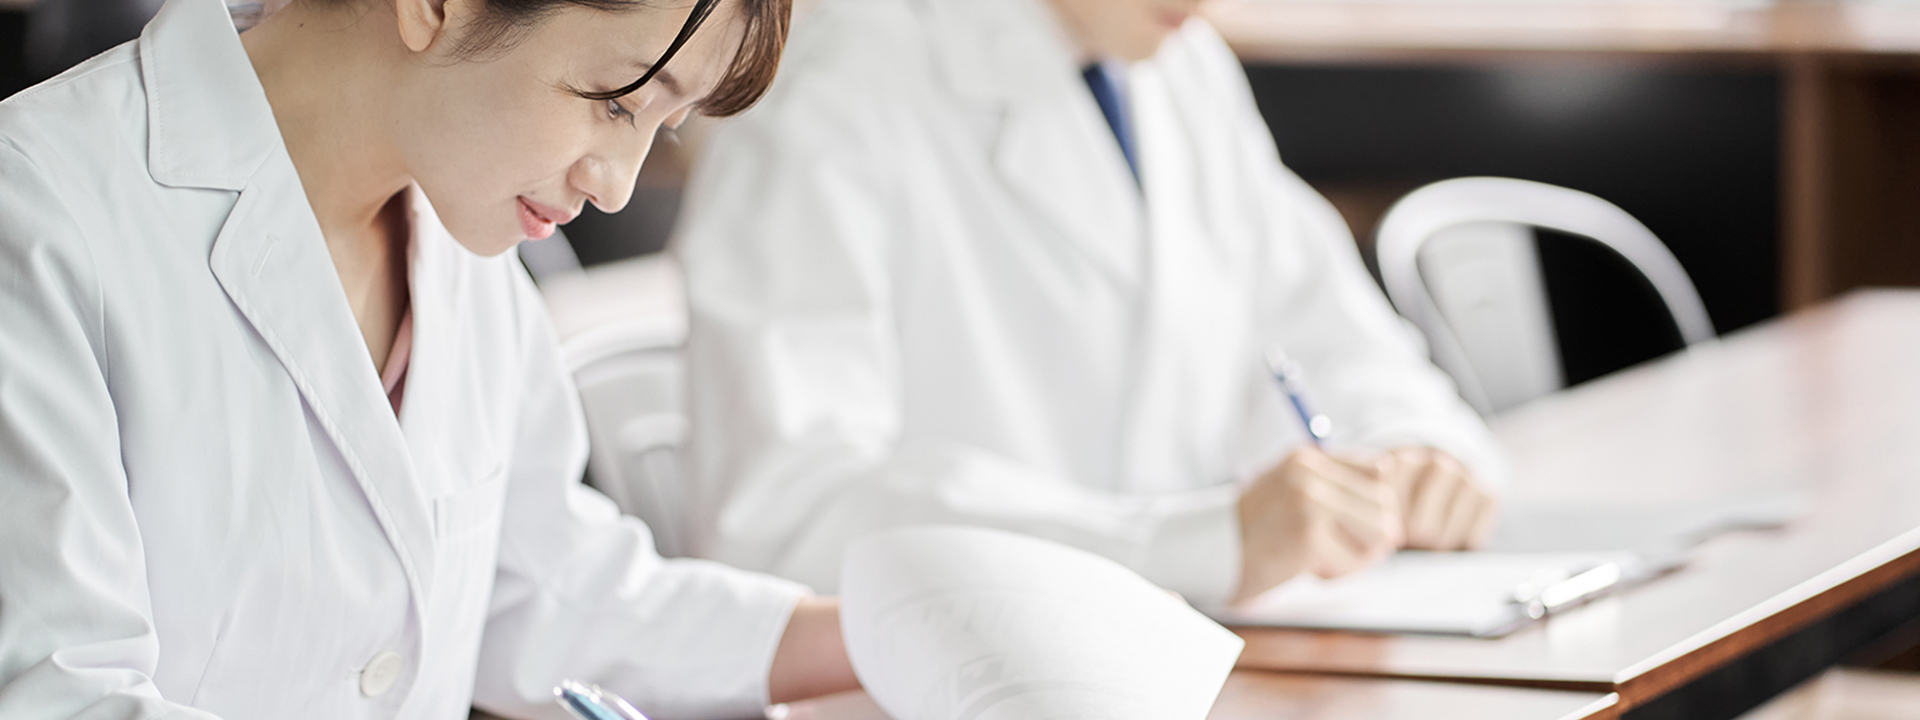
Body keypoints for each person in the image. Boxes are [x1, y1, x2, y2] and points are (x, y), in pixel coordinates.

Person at [0, 0, 860, 717]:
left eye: (662, 130)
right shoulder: (40, 216)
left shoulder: (463, 226)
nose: (617, 186)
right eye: (616, 102)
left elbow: (543, 586)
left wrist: (875, 636)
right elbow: (63, 696)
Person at [676, 0, 1509, 606]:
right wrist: (1198, 545)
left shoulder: (1181, 65)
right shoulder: (826, 87)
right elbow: (786, 516)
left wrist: (1411, 450)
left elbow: (1330, 330)